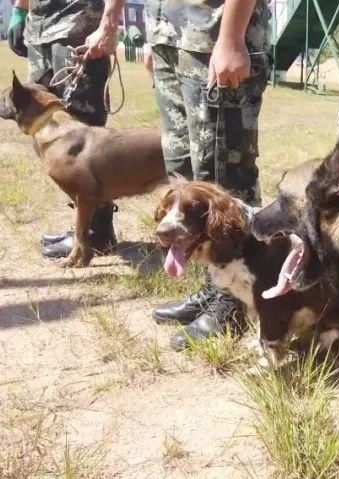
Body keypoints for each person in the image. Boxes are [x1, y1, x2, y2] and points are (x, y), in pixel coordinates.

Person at [145, 0, 270, 350]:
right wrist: (156, 36)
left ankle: (235, 300)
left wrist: (230, 36)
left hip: (214, 32)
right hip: (172, 32)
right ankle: (215, 285)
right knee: (185, 178)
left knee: (223, 178)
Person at [8, 0, 124, 260]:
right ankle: (81, 225)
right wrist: (21, 9)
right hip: (39, 26)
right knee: (48, 131)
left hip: (78, 23)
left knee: (82, 138)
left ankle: (97, 231)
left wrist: (107, 24)